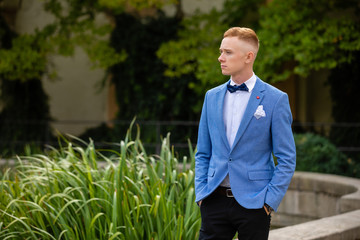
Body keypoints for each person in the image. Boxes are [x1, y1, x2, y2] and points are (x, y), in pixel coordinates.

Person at [194, 27, 296, 240]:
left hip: (256, 203)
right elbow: (203, 152)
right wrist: (201, 192)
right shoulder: (211, 97)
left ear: (249, 56)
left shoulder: (276, 99)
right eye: (221, 51)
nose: (220, 57)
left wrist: (269, 202)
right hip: (213, 199)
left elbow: (286, 159)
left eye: (228, 52)